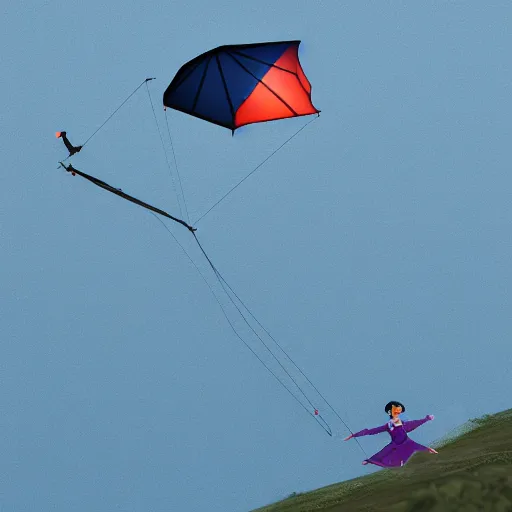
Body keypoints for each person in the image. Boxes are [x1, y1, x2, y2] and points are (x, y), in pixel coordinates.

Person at [344, 401, 438, 467]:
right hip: (395, 445)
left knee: (397, 457)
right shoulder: (389, 425)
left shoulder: (402, 425)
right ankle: (369, 461)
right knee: (381, 455)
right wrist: (354, 435)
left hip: (406, 444)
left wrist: (427, 419)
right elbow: (371, 431)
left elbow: (414, 424)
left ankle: (371, 461)